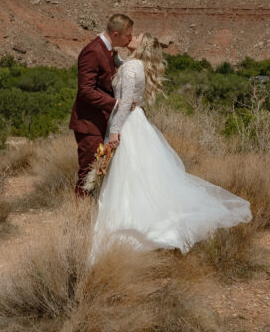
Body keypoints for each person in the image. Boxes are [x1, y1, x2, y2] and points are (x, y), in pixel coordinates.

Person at [90, 33, 251, 259]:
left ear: (142, 45)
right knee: (143, 175)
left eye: (137, 36)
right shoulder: (137, 65)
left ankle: (134, 224)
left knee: (129, 175)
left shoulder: (130, 68)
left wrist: (115, 131)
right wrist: (116, 60)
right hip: (138, 122)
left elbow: (125, 102)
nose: (133, 36)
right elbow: (129, 74)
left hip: (127, 124)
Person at [69, 13, 134, 197]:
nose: (130, 39)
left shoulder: (109, 50)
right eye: (127, 35)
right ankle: (80, 218)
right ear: (115, 34)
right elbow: (85, 90)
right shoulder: (93, 51)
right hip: (89, 124)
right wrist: (115, 103)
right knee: (88, 173)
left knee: (97, 172)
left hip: (100, 123)